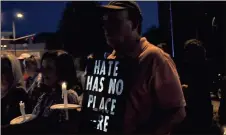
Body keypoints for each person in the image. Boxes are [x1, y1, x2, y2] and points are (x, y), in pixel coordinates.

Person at [80, 1, 186, 134]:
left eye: (114, 21)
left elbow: (177, 111)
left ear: (135, 24)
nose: (106, 27)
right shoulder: (109, 62)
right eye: (105, 22)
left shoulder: (154, 58)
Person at [5, 50, 82, 134]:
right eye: (43, 68)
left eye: (49, 68)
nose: (44, 72)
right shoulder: (45, 95)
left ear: (62, 70)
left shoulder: (68, 96)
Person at [180, 39, 214, 133]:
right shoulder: (202, 67)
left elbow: (196, 93)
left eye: (187, 51)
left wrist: (185, 89)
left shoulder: (197, 69)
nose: (185, 54)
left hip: (198, 114)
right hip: (204, 113)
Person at [1, 52, 31, 129]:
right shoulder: (3, 92)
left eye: (6, 69)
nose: (2, 74)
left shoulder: (19, 94)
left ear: (14, 70)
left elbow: (19, 125)